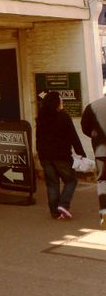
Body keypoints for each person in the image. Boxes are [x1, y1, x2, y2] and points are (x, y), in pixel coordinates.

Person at [35, 91, 86, 220]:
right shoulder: (64, 117)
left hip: (46, 157)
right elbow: (73, 137)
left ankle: (54, 212)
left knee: (52, 184)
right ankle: (63, 204)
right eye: (60, 100)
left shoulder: (41, 117)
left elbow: (38, 138)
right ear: (56, 103)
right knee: (71, 180)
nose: (62, 103)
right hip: (61, 156)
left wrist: (40, 155)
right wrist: (81, 153)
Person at [81, 94, 106, 227]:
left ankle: (104, 215)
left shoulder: (92, 106)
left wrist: (95, 137)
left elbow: (85, 127)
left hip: (101, 152)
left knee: (103, 181)